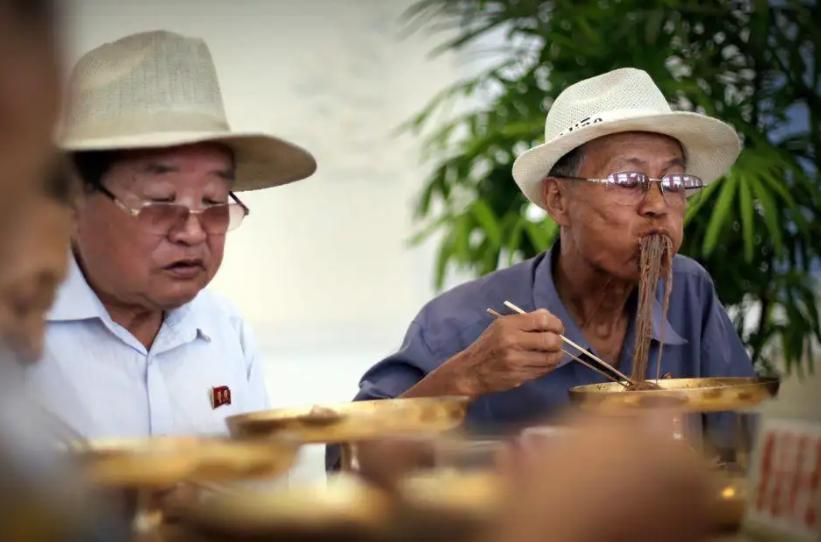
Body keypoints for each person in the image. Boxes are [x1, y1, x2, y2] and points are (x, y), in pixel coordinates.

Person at [339, 68, 753, 460]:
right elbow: (349, 459)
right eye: (628, 181)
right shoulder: (458, 323)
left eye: (675, 183)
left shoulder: (688, 291)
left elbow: (741, 445)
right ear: (558, 201)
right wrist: (464, 378)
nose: (658, 206)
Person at [25, 30, 317, 438]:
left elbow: (261, 491)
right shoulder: (18, 332)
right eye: (161, 202)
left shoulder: (224, 329)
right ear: (74, 199)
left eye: (215, 201)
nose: (194, 232)